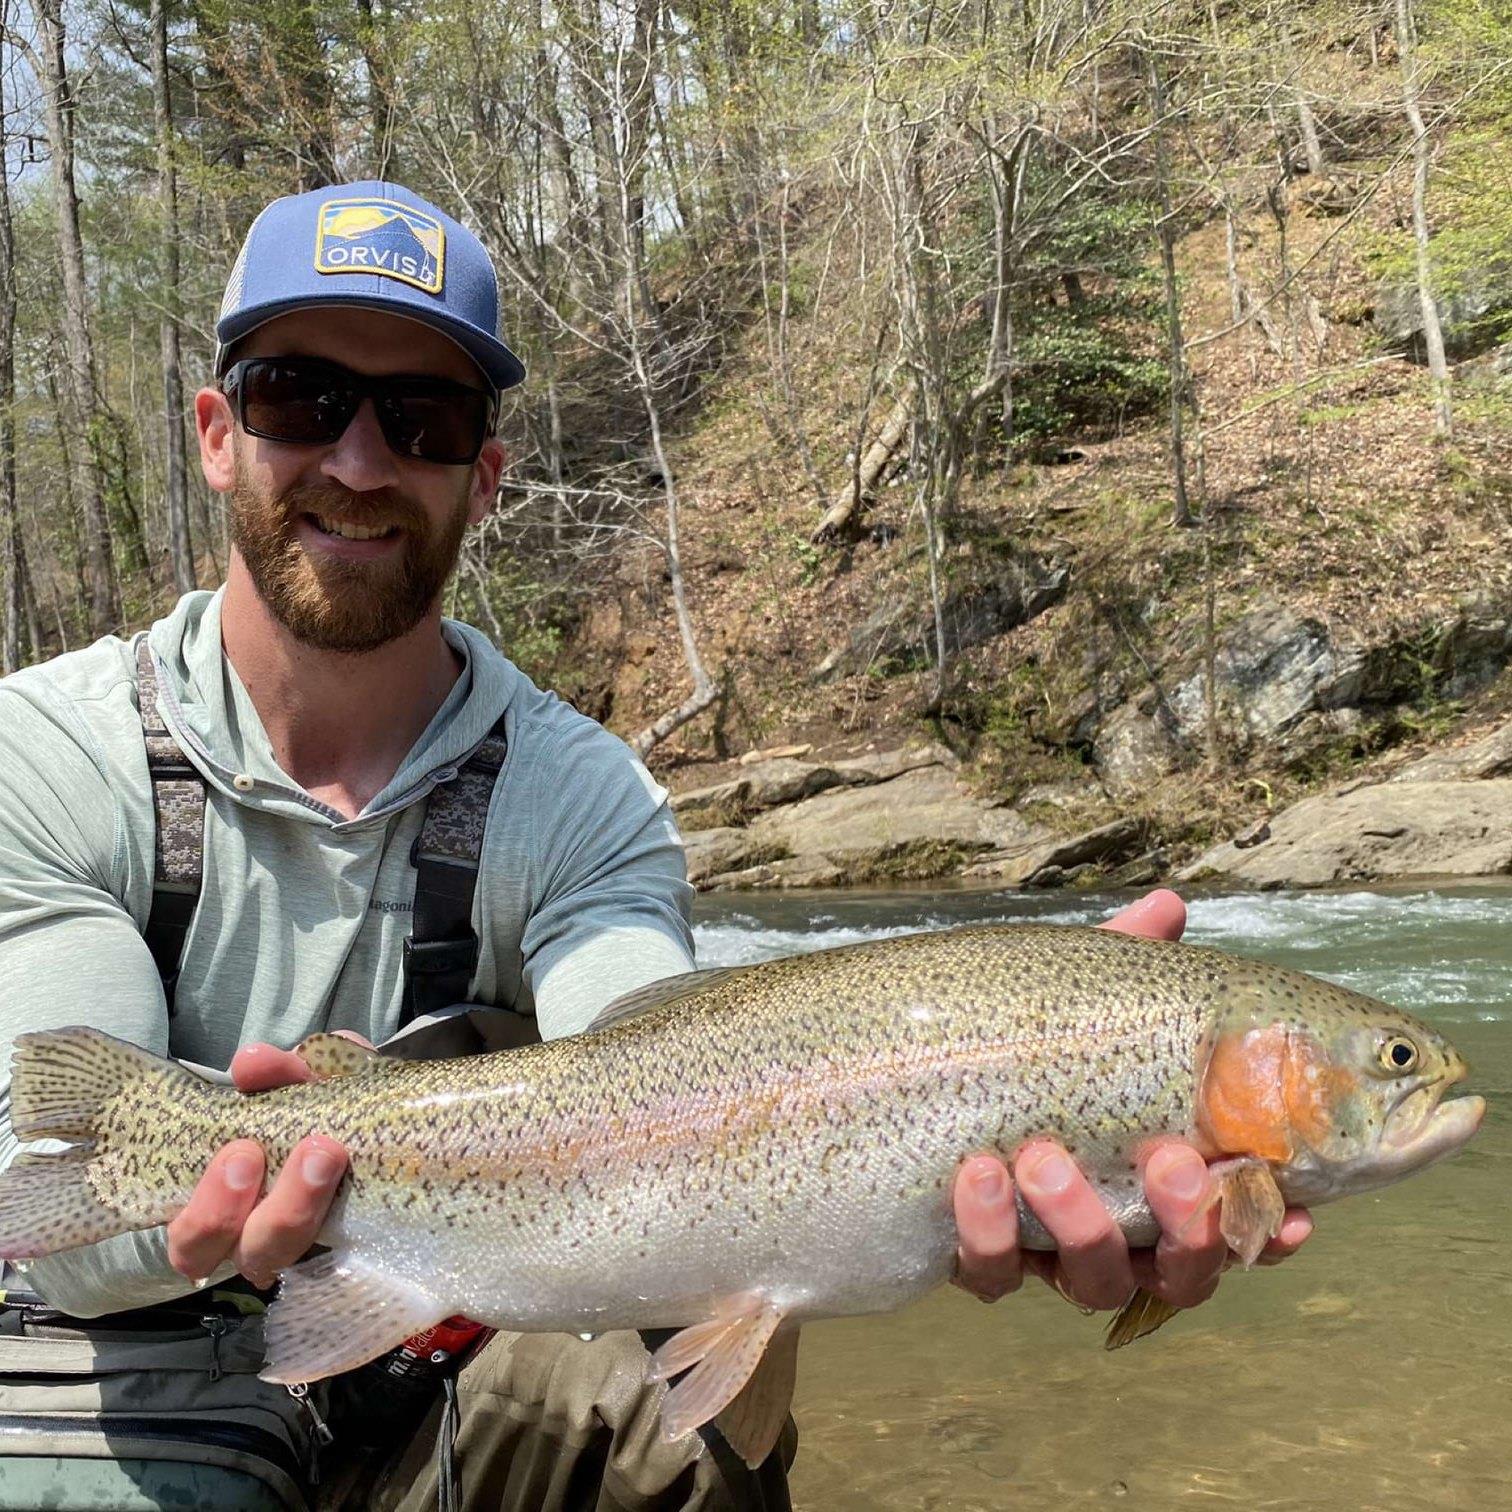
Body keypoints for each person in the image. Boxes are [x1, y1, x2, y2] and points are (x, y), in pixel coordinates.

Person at [0, 180, 1310, 1511]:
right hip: (110, 1387)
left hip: (420, 1376)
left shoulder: (580, 791)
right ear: (218, 435)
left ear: (484, 476)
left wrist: (1019, 1052)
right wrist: (206, 1201)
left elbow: (661, 1060)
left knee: (687, 1410)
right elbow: (52, 1221)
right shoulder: (44, 755)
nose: (356, 460)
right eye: (299, 397)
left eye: (424, 418)